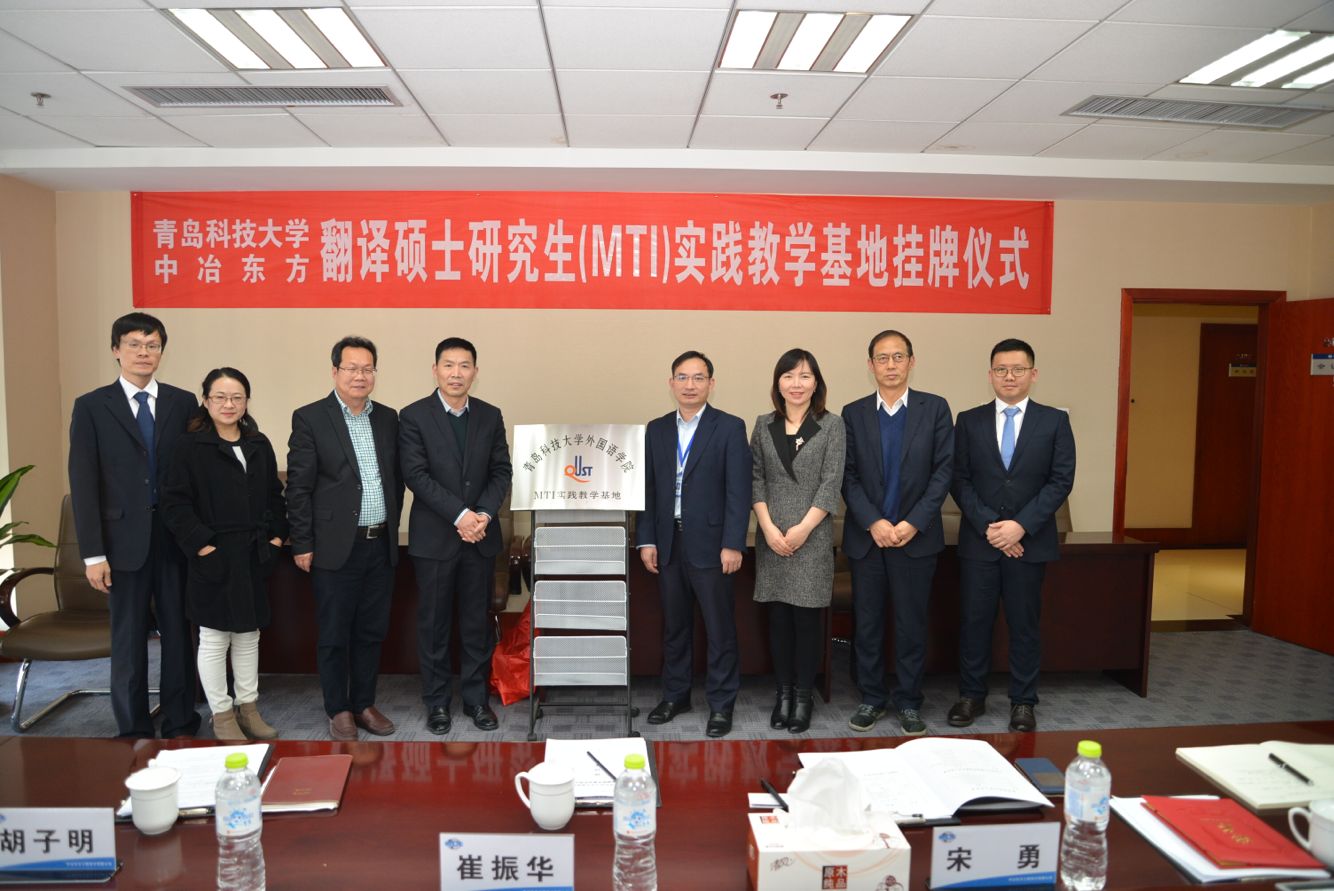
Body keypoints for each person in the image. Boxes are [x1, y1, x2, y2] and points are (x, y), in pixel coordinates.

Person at [68, 312, 202, 739]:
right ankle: (132, 727)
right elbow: (83, 482)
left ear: (161, 351)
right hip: (120, 542)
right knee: (128, 639)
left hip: (173, 538)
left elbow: (195, 472)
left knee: (179, 634)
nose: (144, 353)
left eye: (152, 345)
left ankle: (180, 720)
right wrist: (93, 554)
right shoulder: (92, 406)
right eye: (134, 345)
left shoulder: (182, 403)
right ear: (116, 350)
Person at [949, 338, 1075, 732]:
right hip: (980, 542)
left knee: (1024, 625)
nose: (1009, 376)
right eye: (1001, 369)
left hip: (1029, 543)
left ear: (1033, 374)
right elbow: (959, 479)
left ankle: (1023, 701)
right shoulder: (968, 421)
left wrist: (1020, 525)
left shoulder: (1054, 421)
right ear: (990, 375)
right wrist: (991, 526)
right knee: (974, 623)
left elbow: (1061, 480)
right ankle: (971, 696)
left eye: (1018, 369)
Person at [287, 336, 404, 742]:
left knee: (372, 630)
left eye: (367, 368)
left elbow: (396, 479)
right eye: (352, 368)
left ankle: (363, 703)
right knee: (335, 633)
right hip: (335, 546)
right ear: (335, 371)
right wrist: (302, 542)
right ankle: (338, 708)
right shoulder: (310, 418)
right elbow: (298, 487)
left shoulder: (387, 418)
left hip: (379, 543)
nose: (360, 375)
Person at [161, 368, 287, 741]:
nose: (229, 404)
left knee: (248, 634)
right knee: (215, 636)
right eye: (220, 397)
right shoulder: (188, 446)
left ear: (246, 402)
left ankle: (249, 708)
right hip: (212, 552)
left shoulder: (258, 443)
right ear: (206, 400)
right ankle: (222, 714)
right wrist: (202, 545)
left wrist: (276, 538)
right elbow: (175, 503)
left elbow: (273, 495)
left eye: (237, 397)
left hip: (253, 552)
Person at [841, 329, 953, 735]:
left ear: (911, 362)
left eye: (898, 357)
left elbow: (944, 471)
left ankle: (908, 701)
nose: (891, 365)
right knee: (868, 624)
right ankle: (871, 698)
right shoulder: (853, 413)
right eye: (882, 358)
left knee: (911, 624)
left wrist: (912, 522)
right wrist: (874, 521)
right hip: (868, 539)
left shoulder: (934, 408)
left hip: (915, 539)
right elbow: (847, 475)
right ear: (871, 365)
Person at [399, 337, 512, 734]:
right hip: (436, 539)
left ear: (475, 373)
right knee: (434, 625)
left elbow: (501, 471)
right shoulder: (413, 416)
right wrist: (460, 515)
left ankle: (476, 700)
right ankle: (437, 703)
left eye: (465, 366)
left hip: (479, 538)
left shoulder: (490, 415)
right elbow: (416, 475)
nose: (456, 373)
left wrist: (482, 515)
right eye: (448, 365)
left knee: (476, 624)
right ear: (435, 370)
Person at [636, 351, 751, 738]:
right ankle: (676, 695)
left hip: (713, 545)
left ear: (711, 384)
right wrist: (646, 539)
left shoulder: (729, 427)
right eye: (682, 378)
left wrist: (733, 543)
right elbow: (648, 490)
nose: (690, 385)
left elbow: (739, 490)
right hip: (668, 542)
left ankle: (721, 704)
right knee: (675, 626)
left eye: (698, 378)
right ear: (671, 383)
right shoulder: (656, 429)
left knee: (719, 629)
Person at [750, 349, 845, 734]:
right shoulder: (763, 424)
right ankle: (783, 695)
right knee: (779, 621)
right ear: (778, 383)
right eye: (788, 376)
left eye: (805, 376)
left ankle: (804, 697)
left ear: (816, 383)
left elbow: (831, 482)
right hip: (772, 536)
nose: (796, 384)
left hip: (812, 536)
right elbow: (756, 478)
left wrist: (804, 528)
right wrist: (768, 527)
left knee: (807, 621)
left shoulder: (832, 425)